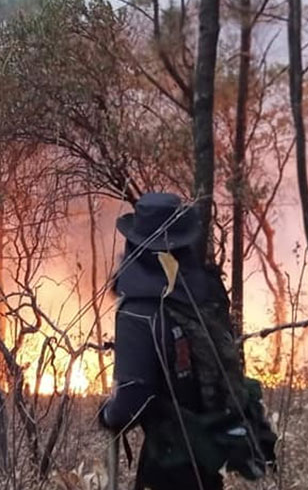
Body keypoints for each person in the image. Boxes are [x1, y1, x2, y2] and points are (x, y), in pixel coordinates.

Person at [98, 192, 225, 490]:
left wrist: (108, 414)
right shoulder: (205, 292)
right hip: (207, 455)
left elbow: (132, 399)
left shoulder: (140, 310)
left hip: (166, 462)